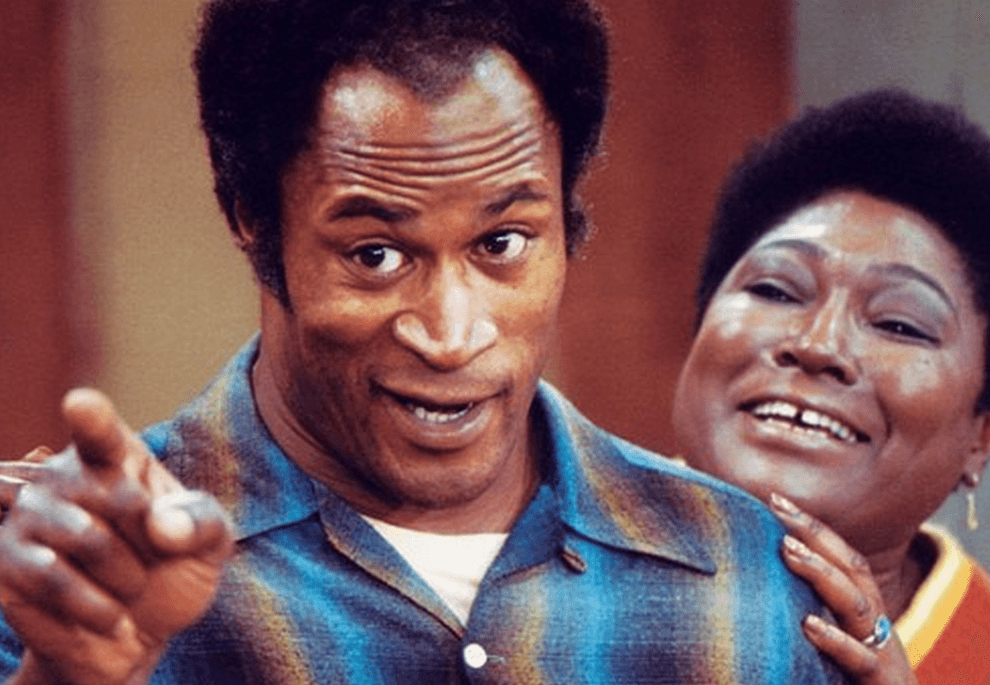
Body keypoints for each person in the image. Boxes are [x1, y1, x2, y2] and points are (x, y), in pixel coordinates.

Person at [0, 1, 846, 683]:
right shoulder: (73, 577)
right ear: (254, 221)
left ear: (566, 217)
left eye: (502, 243)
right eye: (376, 255)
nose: (450, 335)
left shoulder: (745, 576)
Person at [672, 87, 990, 684]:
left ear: (984, 433)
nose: (817, 345)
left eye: (899, 324)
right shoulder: (524, 585)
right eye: (774, 289)